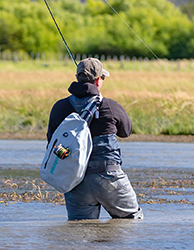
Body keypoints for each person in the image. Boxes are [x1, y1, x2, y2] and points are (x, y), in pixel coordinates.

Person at [46, 58, 143, 221]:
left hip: (75, 181)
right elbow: (126, 131)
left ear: (77, 78)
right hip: (109, 177)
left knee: (80, 229)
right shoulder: (110, 106)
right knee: (132, 221)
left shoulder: (60, 107)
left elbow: (53, 145)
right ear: (98, 80)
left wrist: (71, 157)